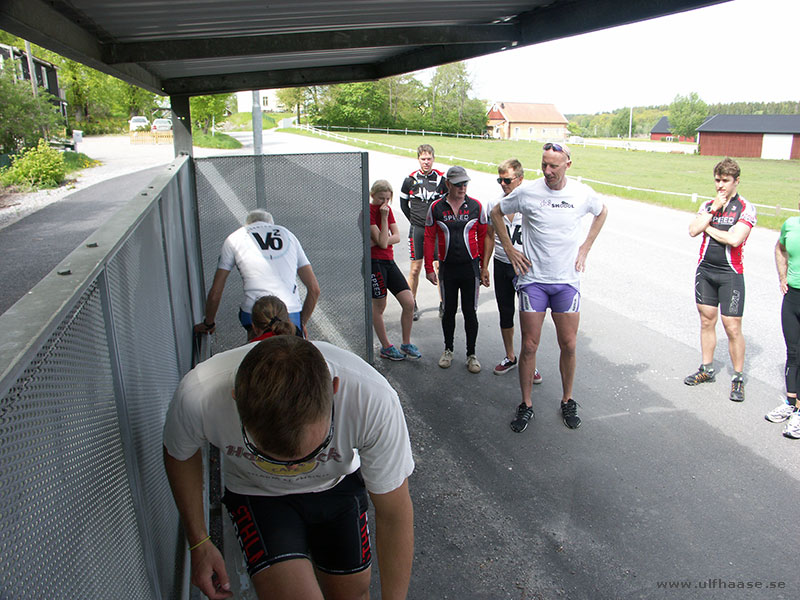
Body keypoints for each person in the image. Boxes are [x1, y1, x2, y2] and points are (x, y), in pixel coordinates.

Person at [163, 335, 415, 600]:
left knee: (352, 594)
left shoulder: (372, 399)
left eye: (315, 449)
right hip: (259, 494)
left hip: (335, 487)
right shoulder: (199, 394)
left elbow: (394, 513)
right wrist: (199, 542)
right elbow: (179, 453)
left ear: (334, 390)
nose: (294, 468)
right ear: (235, 397)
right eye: (269, 454)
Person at [491, 143, 607, 433]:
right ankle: (526, 404)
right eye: (544, 164)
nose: (547, 171)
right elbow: (496, 213)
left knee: (568, 344)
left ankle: (567, 399)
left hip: (567, 281)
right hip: (534, 280)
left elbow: (602, 212)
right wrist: (509, 248)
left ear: (568, 164)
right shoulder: (528, 191)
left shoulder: (581, 193)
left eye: (554, 165)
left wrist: (586, 247)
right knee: (529, 346)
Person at [685, 158, 756, 403]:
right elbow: (693, 230)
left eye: (725, 181)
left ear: (736, 181)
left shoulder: (746, 207)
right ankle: (707, 369)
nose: (720, 185)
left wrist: (707, 227)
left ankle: (737, 377)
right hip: (705, 271)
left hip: (730, 274)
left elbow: (734, 240)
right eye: (717, 180)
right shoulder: (708, 204)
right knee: (706, 321)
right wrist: (712, 210)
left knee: (732, 327)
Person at [194, 209, 321, 339]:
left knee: (257, 347)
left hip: (254, 311)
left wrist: (208, 323)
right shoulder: (288, 235)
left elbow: (215, 292)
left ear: (247, 224)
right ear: (271, 224)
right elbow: (314, 289)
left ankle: (253, 345)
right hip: (290, 311)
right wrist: (301, 323)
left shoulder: (234, 238)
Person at [481, 158, 542, 383]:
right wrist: (484, 266)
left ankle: (530, 362)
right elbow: (489, 235)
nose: (503, 184)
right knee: (505, 312)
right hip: (501, 263)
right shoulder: (494, 203)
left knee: (528, 317)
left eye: (507, 180)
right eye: (500, 180)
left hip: (525, 267)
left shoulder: (531, 202)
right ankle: (510, 356)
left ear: (520, 179)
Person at [424, 165, 487, 373]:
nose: (462, 188)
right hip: (448, 268)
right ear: (448, 184)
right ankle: (448, 349)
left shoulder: (476, 206)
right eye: (458, 184)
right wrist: (428, 267)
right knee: (449, 310)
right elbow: (429, 236)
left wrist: (484, 266)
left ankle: (472, 354)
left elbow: (486, 235)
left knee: (470, 311)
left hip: (470, 268)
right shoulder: (436, 207)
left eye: (465, 184)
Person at [370, 179, 422, 361]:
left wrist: (379, 240)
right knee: (379, 306)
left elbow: (396, 237)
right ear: (372, 196)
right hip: (373, 263)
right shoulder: (368, 211)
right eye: (380, 198)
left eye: (387, 199)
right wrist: (383, 221)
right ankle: (386, 347)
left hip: (388, 261)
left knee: (408, 302)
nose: (384, 203)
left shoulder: (388, 210)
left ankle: (406, 343)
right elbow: (384, 241)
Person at [400, 144, 447, 321]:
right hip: (418, 229)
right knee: (415, 269)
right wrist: (414, 220)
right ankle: (412, 304)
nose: (426, 162)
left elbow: (448, 203)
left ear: (433, 159)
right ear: (418, 159)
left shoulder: (442, 179)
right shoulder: (409, 180)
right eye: (423, 159)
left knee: (439, 267)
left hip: (436, 230)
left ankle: (444, 303)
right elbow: (404, 204)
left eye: (429, 158)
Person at [765, 200, 800, 438]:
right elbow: (779, 248)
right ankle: (790, 404)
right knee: (793, 352)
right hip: (792, 297)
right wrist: (782, 276)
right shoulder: (791, 224)